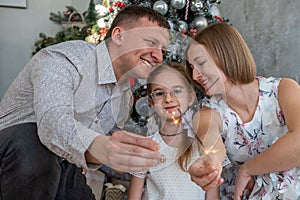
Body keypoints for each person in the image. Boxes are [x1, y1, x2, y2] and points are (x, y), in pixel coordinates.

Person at [0, 5, 170, 200]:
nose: (158, 56)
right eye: (151, 42)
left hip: (61, 163)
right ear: (119, 36)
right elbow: (52, 123)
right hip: (17, 153)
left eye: (162, 49)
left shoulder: (124, 96)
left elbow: (107, 150)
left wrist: (156, 163)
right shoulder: (66, 60)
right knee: (31, 140)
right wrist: (100, 147)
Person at [185, 22, 300, 199]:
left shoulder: (284, 90)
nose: (194, 76)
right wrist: (209, 164)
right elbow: (212, 148)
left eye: (200, 63)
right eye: (192, 68)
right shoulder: (208, 114)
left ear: (226, 55)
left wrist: (248, 169)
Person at [128, 62, 225, 200]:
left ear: (190, 97)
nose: (168, 99)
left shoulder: (203, 143)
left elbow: (212, 195)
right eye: (160, 93)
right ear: (151, 101)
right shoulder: (146, 147)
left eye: (177, 91)